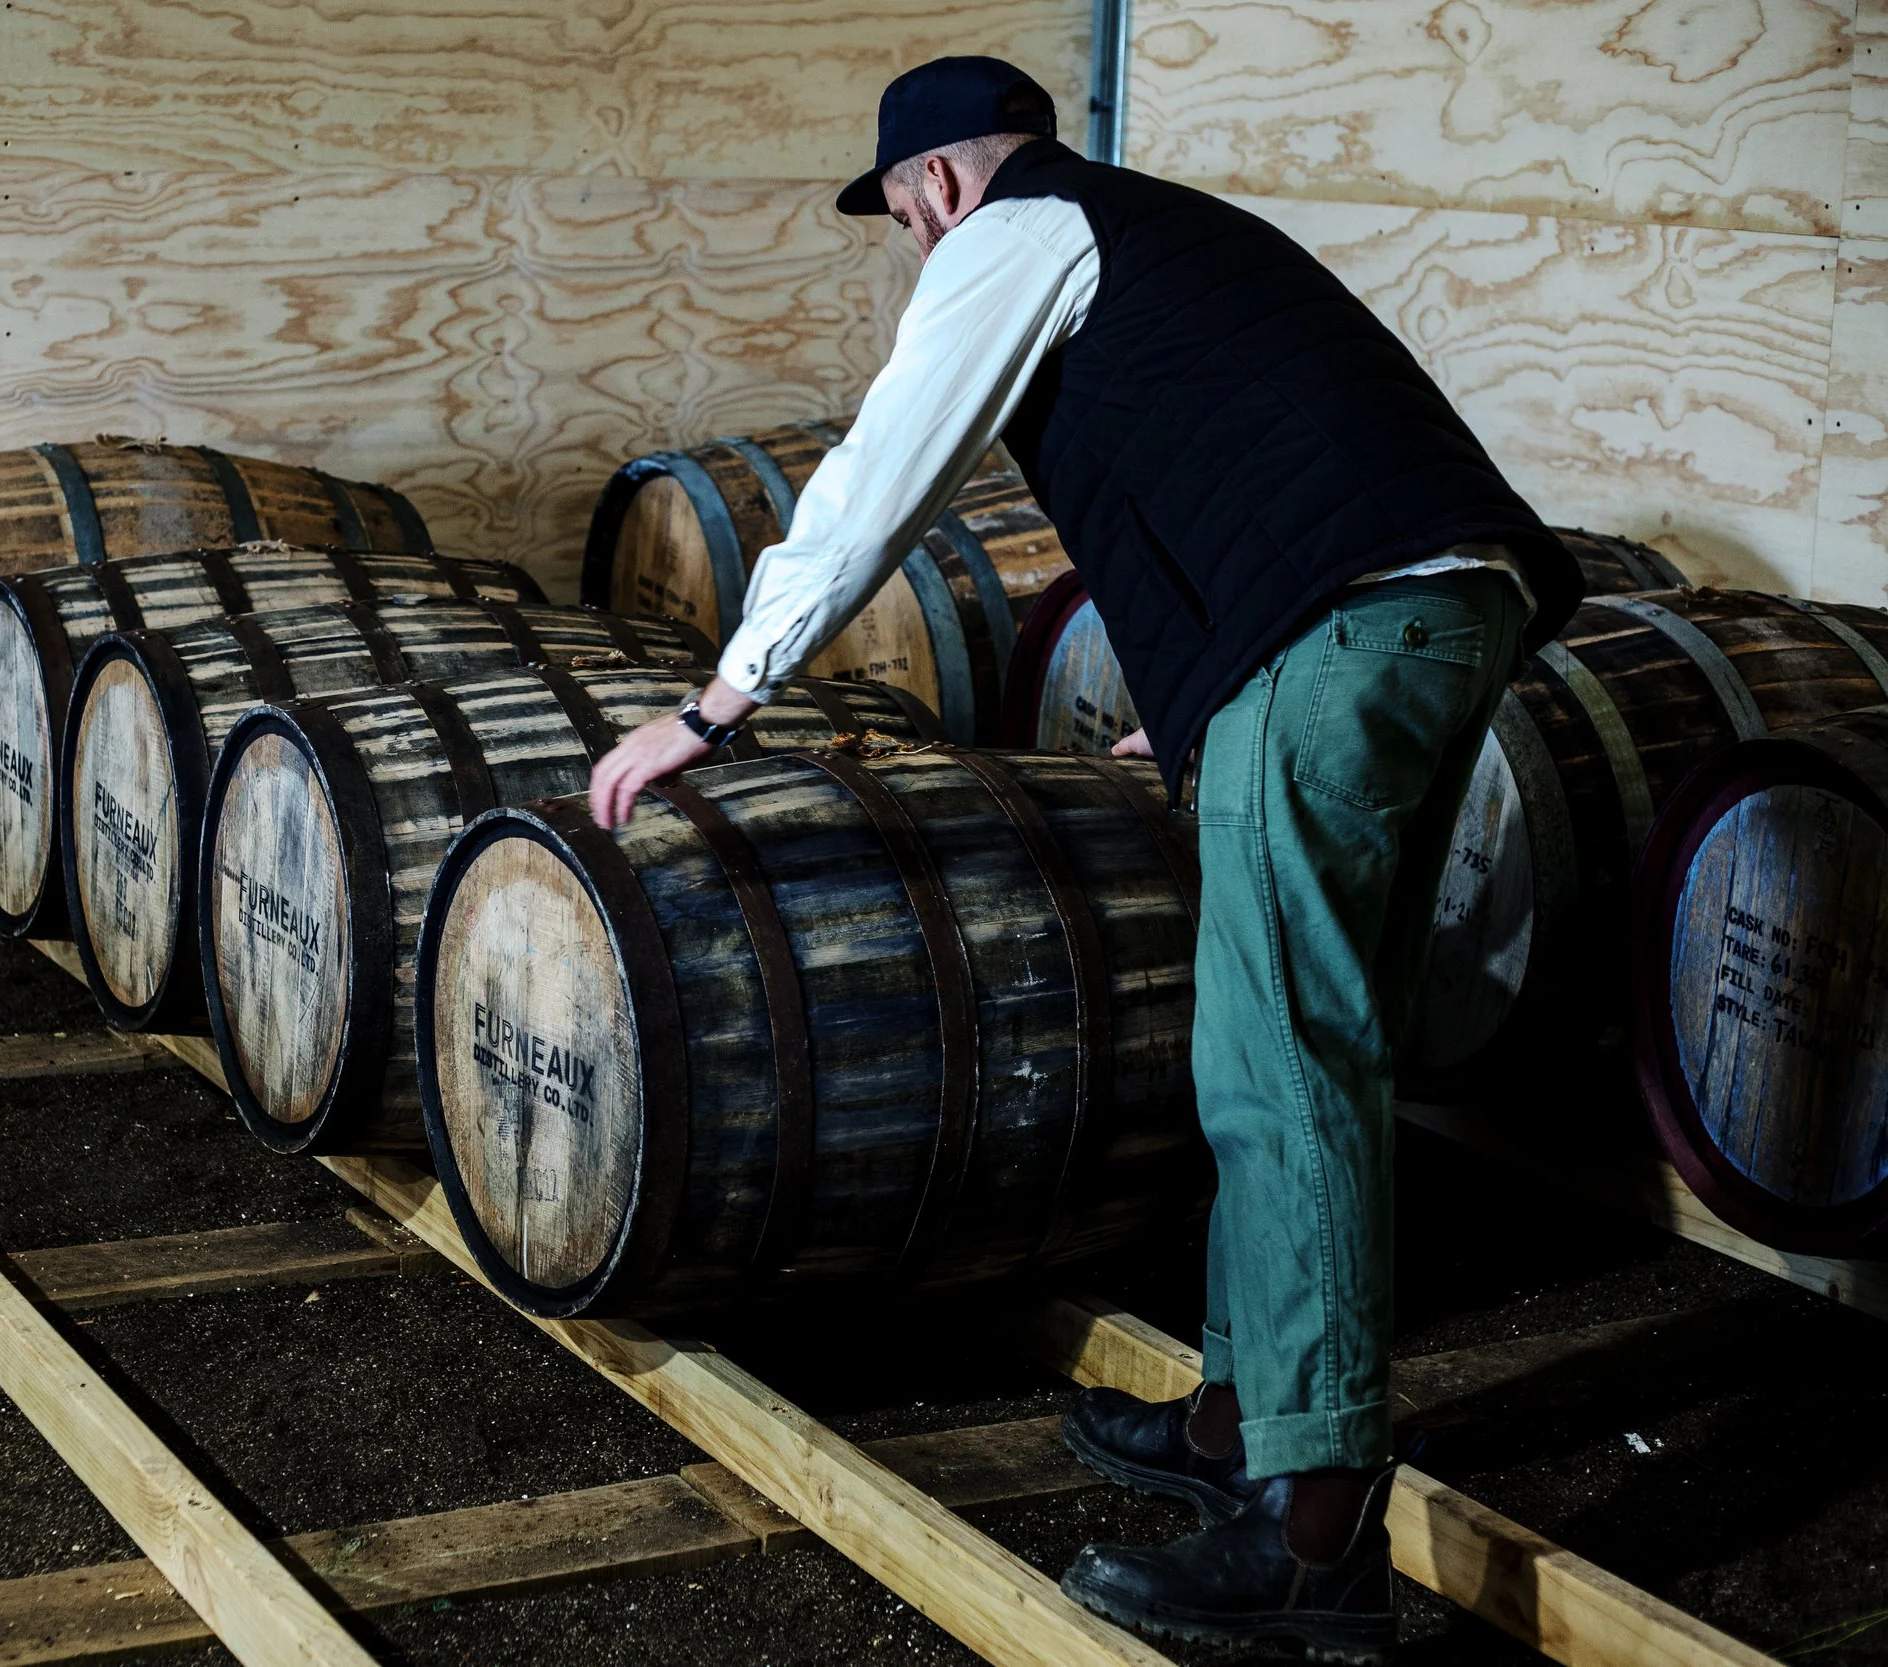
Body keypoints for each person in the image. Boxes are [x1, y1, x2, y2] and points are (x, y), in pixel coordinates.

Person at [584, 54, 1582, 1663]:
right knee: (1300, 1037)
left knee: (1282, 1060)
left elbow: (880, 476)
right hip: (1430, 604)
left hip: (1340, 625)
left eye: (907, 216)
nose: (918, 246)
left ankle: (1316, 1530)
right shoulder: (1144, 228)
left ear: (936, 187)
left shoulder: (1018, 230)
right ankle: (1238, 1416)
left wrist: (717, 703)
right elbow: (1236, 463)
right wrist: (1196, 711)